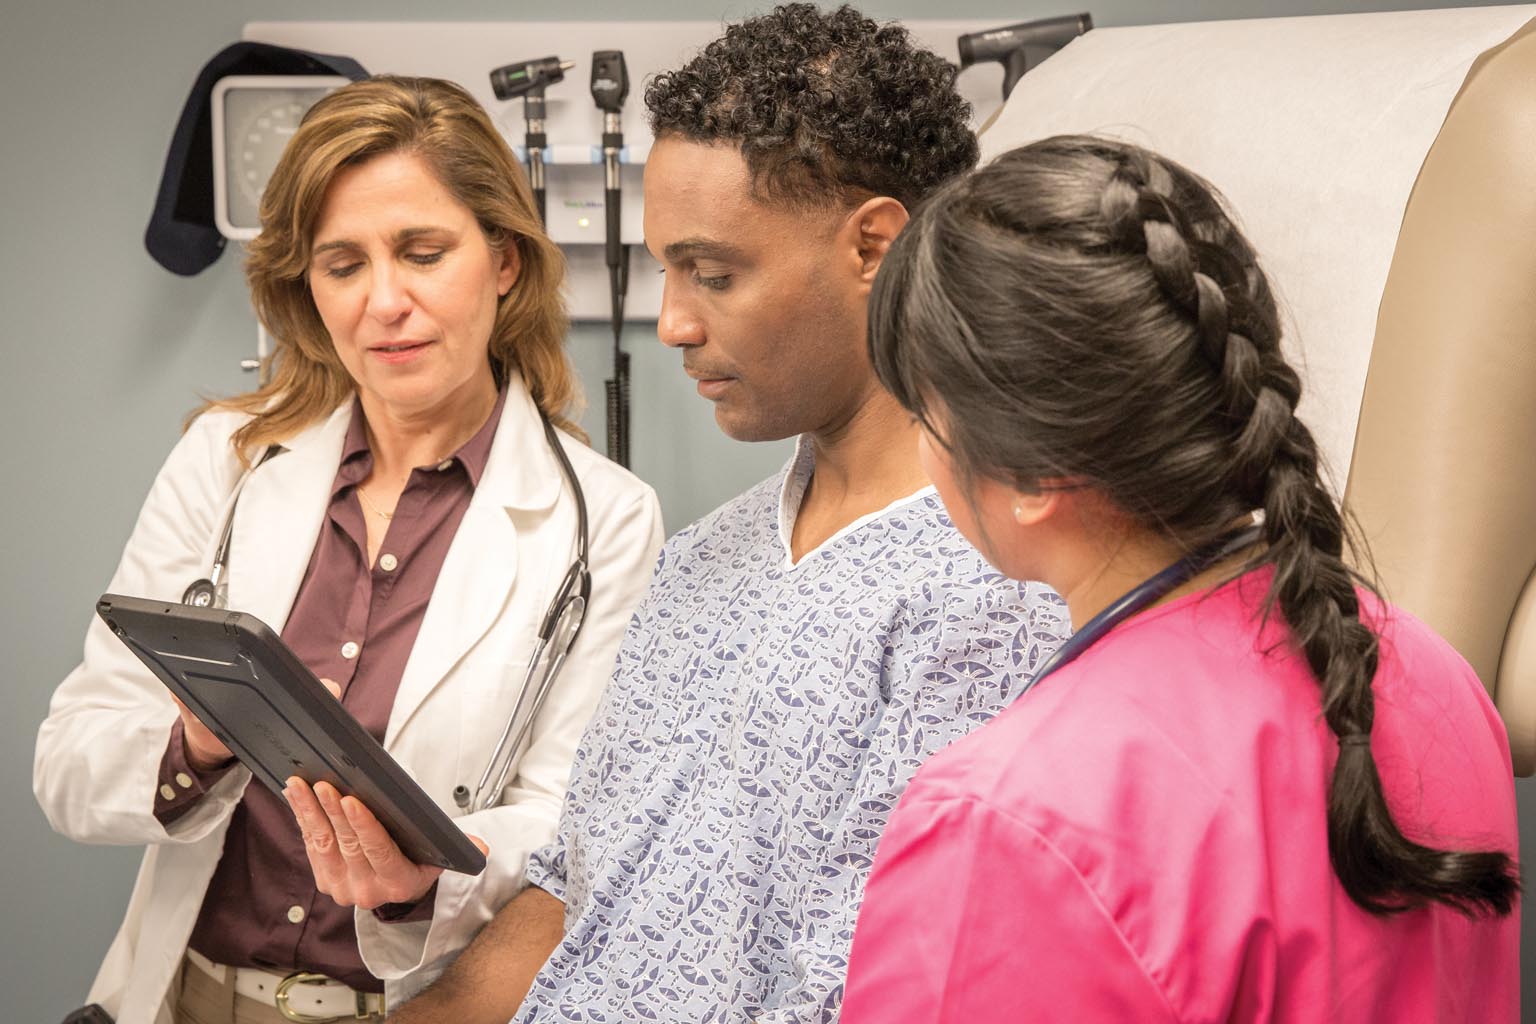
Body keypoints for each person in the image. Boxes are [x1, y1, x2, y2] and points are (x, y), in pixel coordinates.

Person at [385, 8, 1067, 1023]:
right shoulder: (707, 558)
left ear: (874, 245)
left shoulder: (995, 590)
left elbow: (867, 989)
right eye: (664, 268)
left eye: (713, 273)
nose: (672, 321)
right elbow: (575, 888)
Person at [839, 135, 1521, 1022]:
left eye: (923, 415)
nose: (924, 456)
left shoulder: (1009, 824)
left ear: (1036, 476)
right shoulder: (1427, 674)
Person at [33, 76, 663, 1024]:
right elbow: (70, 763)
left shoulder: (606, 520)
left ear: (501, 260)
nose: (384, 303)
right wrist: (202, 740)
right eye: (342, 264)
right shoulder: (229, 459)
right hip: (185, 996)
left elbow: (572, 827)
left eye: (422, 252)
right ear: (304, 285)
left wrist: (422, 874)